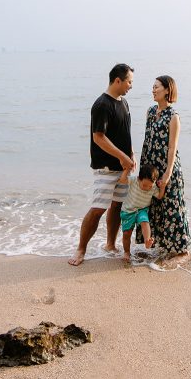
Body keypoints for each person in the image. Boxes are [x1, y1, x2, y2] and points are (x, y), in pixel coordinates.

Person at [68, 63, 136, 266]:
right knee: (98, 208)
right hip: (105, 167)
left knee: (117, 206)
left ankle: (110, 245)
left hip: (123, 167)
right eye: (129, 82)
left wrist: (131, 153)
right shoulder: (101, 104)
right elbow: (98, 137)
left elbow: (125, 131)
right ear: (118, 80)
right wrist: (122, 156)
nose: (131, 86)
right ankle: (81, 250)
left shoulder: (123, 102)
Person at [140, 75, 191, 267]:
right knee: (154, 206)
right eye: (152, 87)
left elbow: (172, 148)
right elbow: (147, 141)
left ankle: (182, 250)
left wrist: (168, 173)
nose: (153, 90)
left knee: (173, 206)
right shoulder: (151, 111)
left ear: (167, 90)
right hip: (151, 167)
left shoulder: (173, 116)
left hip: (167, 167)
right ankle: (161, 245)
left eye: (157, 87)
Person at [118, 164, 158, 263]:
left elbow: (160, 196)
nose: (146, 188)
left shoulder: (153, 188)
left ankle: (147, 241)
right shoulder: (133, 180)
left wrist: (163, 186)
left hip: (142, 209)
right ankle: (127, 252)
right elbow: (122, 180)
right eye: (144, 185)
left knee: (144, 221)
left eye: (150, 186)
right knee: (126, 233)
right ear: (139, 179)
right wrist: (127, 169)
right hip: (128, 210)